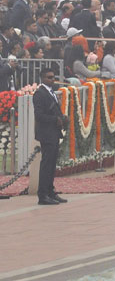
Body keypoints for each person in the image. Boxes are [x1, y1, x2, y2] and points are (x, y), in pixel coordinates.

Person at [33, 67, 69, 205]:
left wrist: (62, 118)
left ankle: (50, 191)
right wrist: (55, 120)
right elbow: (39, 115)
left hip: (53, 132)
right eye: (49, 77)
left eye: (53, 77)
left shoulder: (51, 92)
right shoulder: (39, 94)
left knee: (52, 164)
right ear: (42, 78)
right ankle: (43, 195)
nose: (52, 80)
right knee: (46, 164)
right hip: (46, 133)